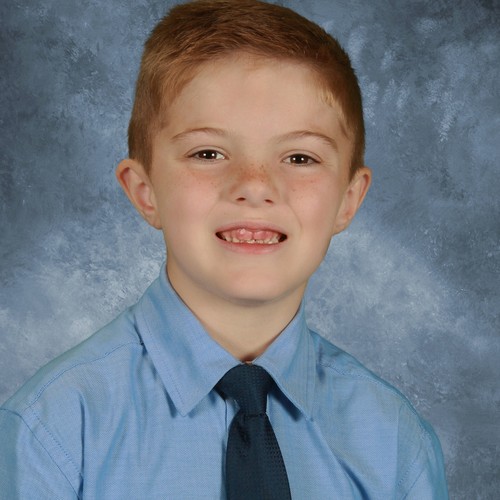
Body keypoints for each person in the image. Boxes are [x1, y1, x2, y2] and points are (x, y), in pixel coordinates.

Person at [0, 0, 448, 498]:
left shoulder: (395, 445)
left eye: (300, 157)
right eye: (208, 153)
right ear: (145, 191)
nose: (255, 186)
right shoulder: (52, 434)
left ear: (348, 199)